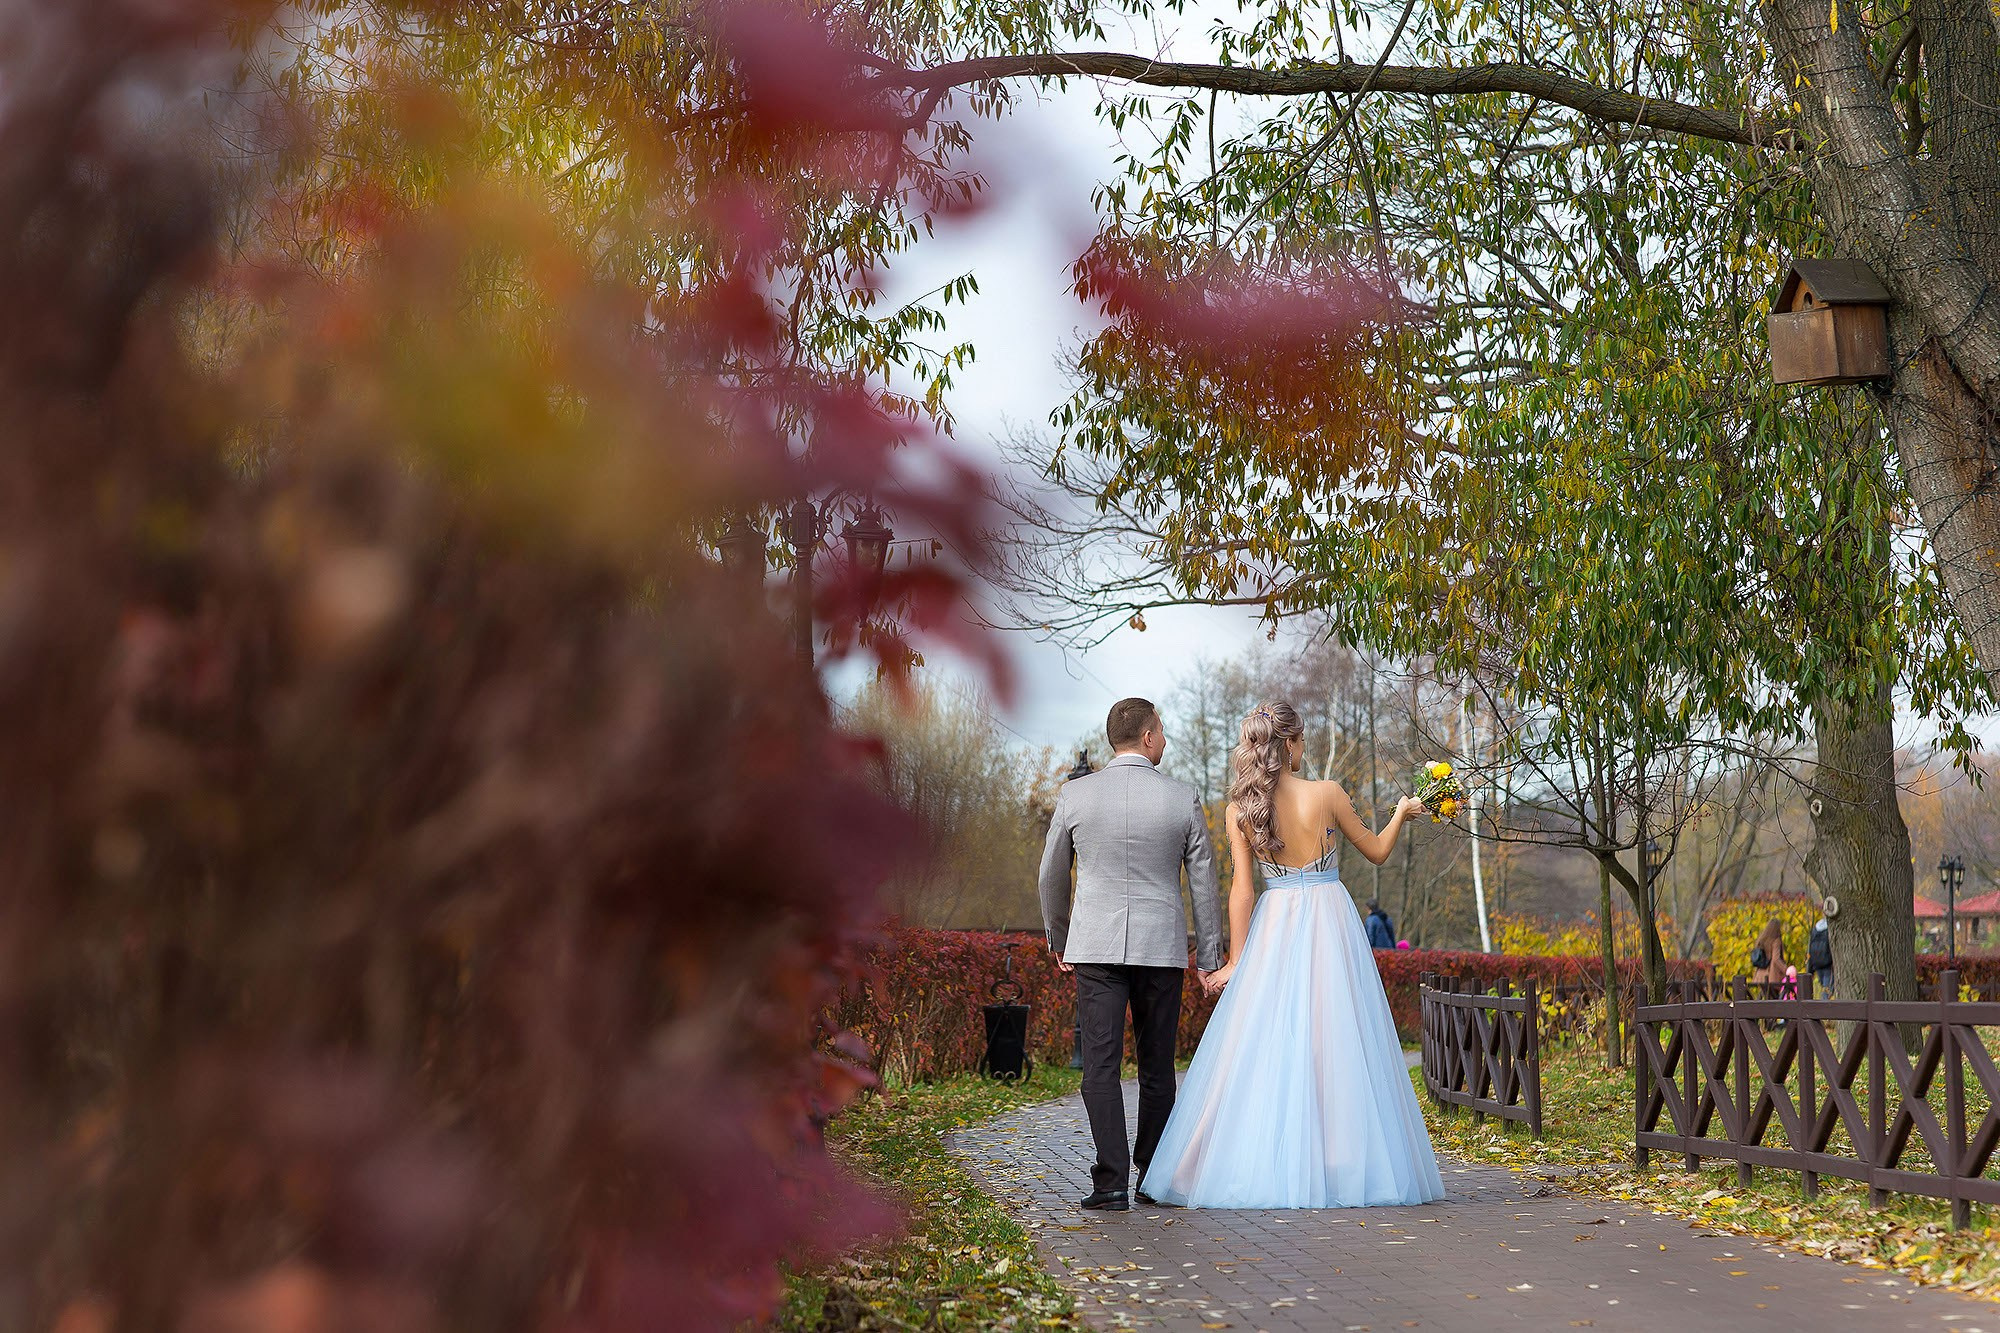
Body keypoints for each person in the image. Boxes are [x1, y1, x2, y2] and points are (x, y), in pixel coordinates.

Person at [1139, 700, 1445, 1209]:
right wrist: (1401, 812)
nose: (1304, 748)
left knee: (1257, 1041)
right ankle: (1338, 1162)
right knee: (1335, 1039)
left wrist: (1236, 961)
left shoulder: (1240, 810)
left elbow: (1242, 890)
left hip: (1276, 923)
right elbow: (1377, 852)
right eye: (1301, 740)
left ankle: (1232, 1161)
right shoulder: (1326, 793)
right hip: (1329, 921)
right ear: (1288, 744)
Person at [1039, 697, 1223, 1212]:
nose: (1165, 739)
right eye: (1161, 731)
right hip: (1160, 948)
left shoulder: (1075, 795)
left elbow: (1050, 874)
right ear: (1147, 736)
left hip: (1095, 947)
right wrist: (1209, 956)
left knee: (1099, 1066)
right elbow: (1204, 883)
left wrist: (1059, 937)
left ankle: (1110, 1182)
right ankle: (1152, 1176)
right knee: (1157, 1068)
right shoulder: (1182, 798)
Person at [1750, 917, 1787, 991]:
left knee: (1764, 996)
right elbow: (1776, 959)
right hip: (1772, 975)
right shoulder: (1776, 941)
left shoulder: (1761, 940)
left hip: (1761, 975)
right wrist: (1786, 970)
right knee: (1777, 996)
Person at [1807, 916, 1833, 996]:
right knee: (1827, 989)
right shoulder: (1830, 929)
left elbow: (1810, 949)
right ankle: (1825, 1002)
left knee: (1824, 987)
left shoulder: (1815, 929)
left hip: (1817, 964)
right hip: (1828, 964)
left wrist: (1810, 970)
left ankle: (1824, 1000)